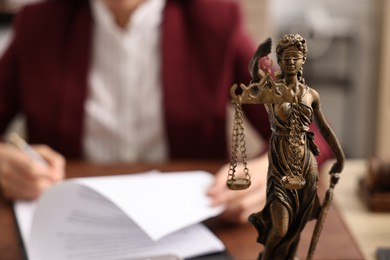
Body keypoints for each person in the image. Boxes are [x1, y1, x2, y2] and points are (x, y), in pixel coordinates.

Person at [0, 0, 333, 224]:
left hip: (192, 229)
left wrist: (273, 167)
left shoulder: (214, 20)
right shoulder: (38, 25)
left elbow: (306, 129)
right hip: (68, 226)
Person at [231, 34, 344, 258]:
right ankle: (268, 256)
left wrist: (340, 158)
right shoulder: (273, 91)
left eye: (296, 58)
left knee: (296, 226)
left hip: (306, 167)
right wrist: (258, 55)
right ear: (279, 61)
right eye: (286, 58)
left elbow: (324, 129)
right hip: (280, 164)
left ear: (303, 59)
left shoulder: (311, 95)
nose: (291, 63)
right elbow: (255, 75)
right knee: (280, 226)